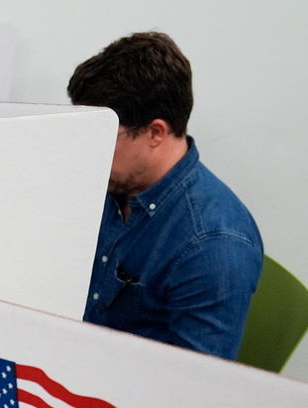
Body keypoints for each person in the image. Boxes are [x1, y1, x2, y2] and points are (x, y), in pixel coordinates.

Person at [67, 32, 262, 359]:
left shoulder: (212, 247)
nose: (88, 153)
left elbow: (197, 388)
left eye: (103, 137)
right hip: (78, 356)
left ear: (155, 132)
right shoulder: (116, 182)